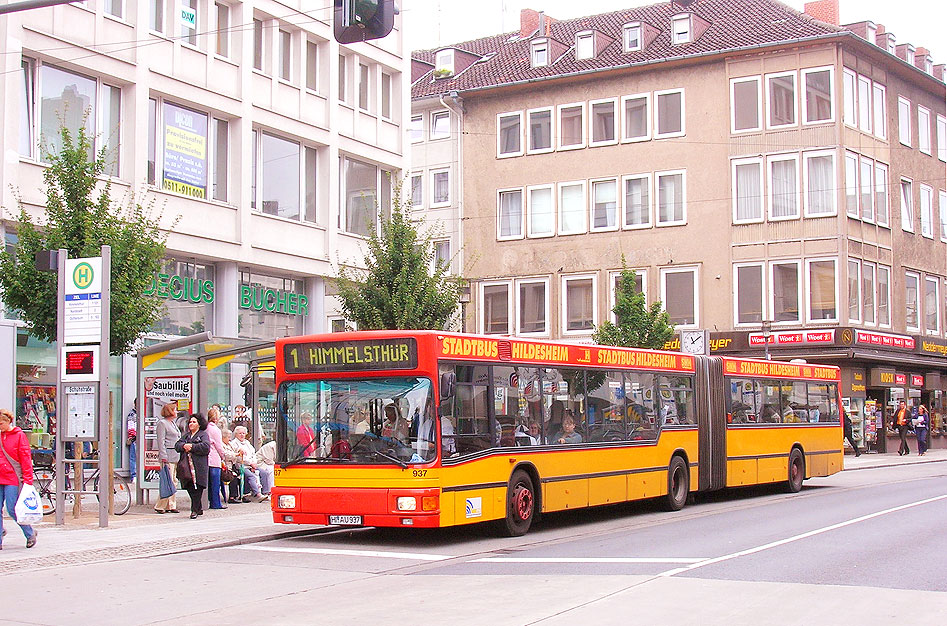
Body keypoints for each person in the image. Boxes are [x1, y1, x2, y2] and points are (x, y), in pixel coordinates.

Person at [0, 408, 37, 549]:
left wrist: (28, 479)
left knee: (12, 508)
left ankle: (29, 533)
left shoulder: (18, 435)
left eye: (1, 424)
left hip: (12, 477)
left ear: (8, 421)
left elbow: (25, 457)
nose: (0, 427)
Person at [174, 414, 211, 519]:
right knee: (189, 486)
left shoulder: (203, 435)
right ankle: (198, 508)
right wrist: (183, 446)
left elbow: (206, 447)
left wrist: (192, 447)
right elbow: (177, 445)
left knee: (198, 488)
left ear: (199, 424)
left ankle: (194, 510)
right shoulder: (186, 436)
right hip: (187, 467)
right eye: (190, 422)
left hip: (199, 466)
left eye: (194, 422)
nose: (191, 424)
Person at [155, 403, 182, 514]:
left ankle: (171, 504)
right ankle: (160, 505)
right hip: (168, 455)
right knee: (168, 480)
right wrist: (163, 456)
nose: (176, 412)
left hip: (175, 455)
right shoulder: (162, 423)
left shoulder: (173, 423)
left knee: (173, 481)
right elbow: (160, 441)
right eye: (175, 410)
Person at [233, 426, 265, 501]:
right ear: (236, 434)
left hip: (251, 465)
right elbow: (239, 458)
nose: (242, 435)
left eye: (243, 433)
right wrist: (251, 463)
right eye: (240, 433)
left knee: (264, 473)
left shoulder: (247, 443)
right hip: (241, 466)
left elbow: (253, 454)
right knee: (251, 476)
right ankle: (258, 494)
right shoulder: (234, 444)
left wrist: (254, 463)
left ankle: (265, 492)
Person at [205, 407, 227, 509]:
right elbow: (219, 446)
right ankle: (216, 503)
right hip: (214, 459)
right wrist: (223, 457)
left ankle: (208, 501)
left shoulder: (204, 428)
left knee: (208, 484)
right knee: (215, 484)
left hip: (205, 459)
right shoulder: (216, 430)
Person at [221, 429, 242, 504]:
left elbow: (236, 449)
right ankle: (232, 497)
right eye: (228, 437)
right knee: (233, 477)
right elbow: (225, 455)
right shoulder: (221, 444)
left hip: (232, 465)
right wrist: (235, 454)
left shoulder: (229, 444)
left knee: (242, 474)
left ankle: (242, 495)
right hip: (225, 466)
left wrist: (240, 450)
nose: (229, 439)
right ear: (223, 437)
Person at [125, 399, 138, 481]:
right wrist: (134, 436)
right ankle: (134, 475)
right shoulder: (132, 414)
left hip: (139, 438)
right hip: (135, 439)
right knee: (133, 457)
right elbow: (131, 428)